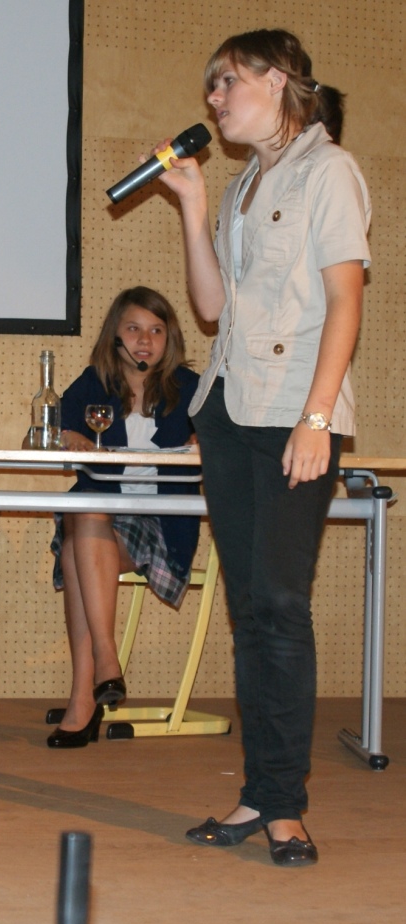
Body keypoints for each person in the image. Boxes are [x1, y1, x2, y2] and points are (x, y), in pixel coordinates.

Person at [157, 29, 371, 865]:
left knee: (280, 604)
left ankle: (283, 805)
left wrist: (317, 419)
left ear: (277, 80)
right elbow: (212, 309)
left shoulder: (328, 171)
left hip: (291, 413)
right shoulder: (244, 184)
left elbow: (344, 300)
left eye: (226, 82)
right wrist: (192, 206)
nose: (212, 98)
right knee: (249, 610)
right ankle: (258, 793)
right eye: (209, 86)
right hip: (226, 409)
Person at [46, 287, 200, 748]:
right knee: (86, 515)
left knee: (77, 540)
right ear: (115, 334)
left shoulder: (190, 387)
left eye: (156, 331)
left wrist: (206, 443)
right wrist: (68, 435)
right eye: (133, 329)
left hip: (161, 520)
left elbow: (228, 436)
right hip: (99, 516)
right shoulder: (95, 382)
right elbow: (55, 424)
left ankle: (89, 686)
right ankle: (102, 671)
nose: (144, 341)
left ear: (169, 339)